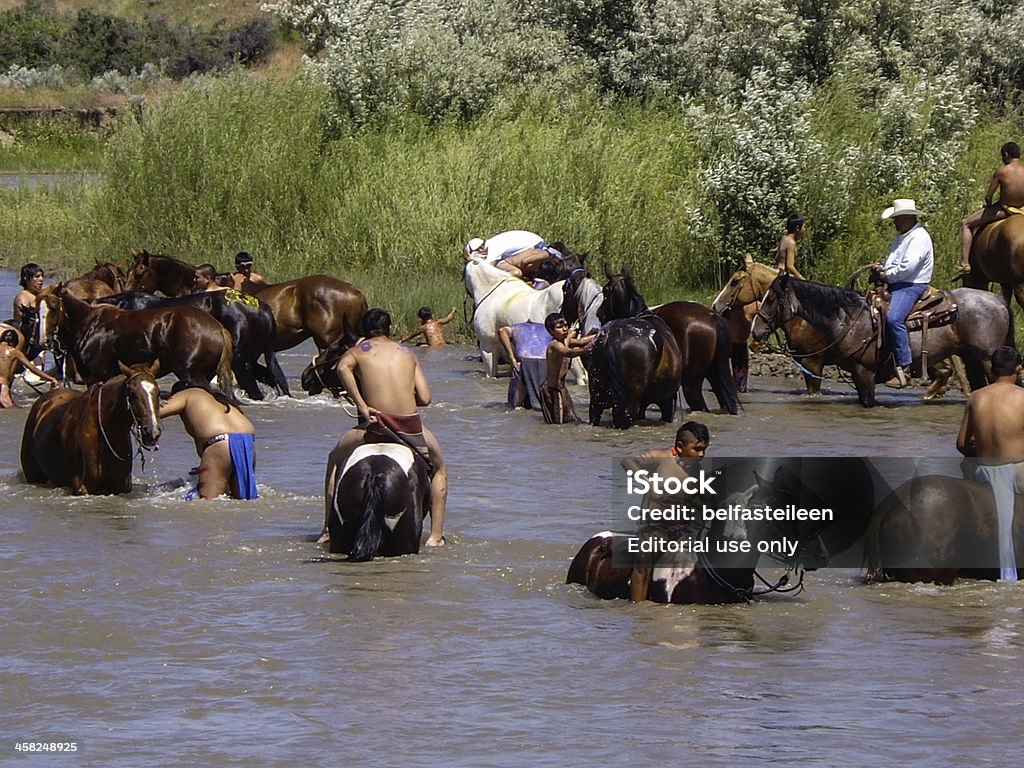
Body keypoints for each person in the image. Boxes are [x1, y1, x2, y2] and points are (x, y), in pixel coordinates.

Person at [321, 308, 447, 546]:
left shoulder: (358, 351)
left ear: (364, 330)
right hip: (409, 428)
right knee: (439, 468)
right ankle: (436, 536)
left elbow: (340, 368)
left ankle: (327, 529)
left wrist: (362, 405)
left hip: (374, 427)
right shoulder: (408, 354)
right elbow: (426, 398)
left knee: (334, 461)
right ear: (389, 329)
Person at [956, 346, 1024, 581]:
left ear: (993, 370)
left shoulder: (976, 397)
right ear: (1019, 368)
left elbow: (962, 444)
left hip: (984, 471)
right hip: (1017, 471)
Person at [870, 199, 934, 388]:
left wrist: (886, 274)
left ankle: (903, 367)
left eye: (896, 218)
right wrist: (882, 268)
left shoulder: (919, 237)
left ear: (906, 217)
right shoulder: (902, 236)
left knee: (893, 318)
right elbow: (894, 261)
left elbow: (908, 267)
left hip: (911, 284)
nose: (894, 222)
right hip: (897, 283)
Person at [158, 383, 258, 500]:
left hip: (220, 444)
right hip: (247, 443)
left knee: (209, 503)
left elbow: (153, 413)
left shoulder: (186, 394)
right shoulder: (219, 400)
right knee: (243, 501)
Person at [957, 142, 1024, 277]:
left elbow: (989, 196)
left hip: (1004, 210)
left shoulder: (1002, 171)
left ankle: (965, 264)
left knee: (966, 223)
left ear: (1006, 155)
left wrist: (988, 205)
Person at [540, 313, 595, 424]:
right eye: (560, 327)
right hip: (552, 389)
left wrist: (598, 335)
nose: (565, 329)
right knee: (558, 423)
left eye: (566, 325)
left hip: (562, 388)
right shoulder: (554, 345)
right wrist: (587, 349)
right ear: (551, 331)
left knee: (570, 419)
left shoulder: (565, 340)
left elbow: (581, 341)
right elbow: (569, 353)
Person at [498, 321, 551, 409]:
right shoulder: (549, 328)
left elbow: (501, 331)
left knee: (516, 401)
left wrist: (511, 358)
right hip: (545, 359)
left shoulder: (517, 327)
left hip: (525, 359)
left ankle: (517, 406)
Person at [0, 328, 58, 407]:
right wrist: (51, 378)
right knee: (11, 410)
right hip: (2, 386)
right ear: (12, 342)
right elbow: (32, 368)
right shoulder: (14, 351)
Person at [12, 262, 45, 326]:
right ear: (26, 278)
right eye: (37, 276)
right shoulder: (22, 298)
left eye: (42, 276)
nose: (41, 279)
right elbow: (19, 323)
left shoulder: (43, 293)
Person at [775, 214, 807, 280]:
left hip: (777, 273)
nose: (804, 228)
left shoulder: (784, 239)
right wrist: (802, 279)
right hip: (783, 276)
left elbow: (777, 257)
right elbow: (790, 266)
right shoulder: (791, 243)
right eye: (803, 226)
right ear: (797, 228)